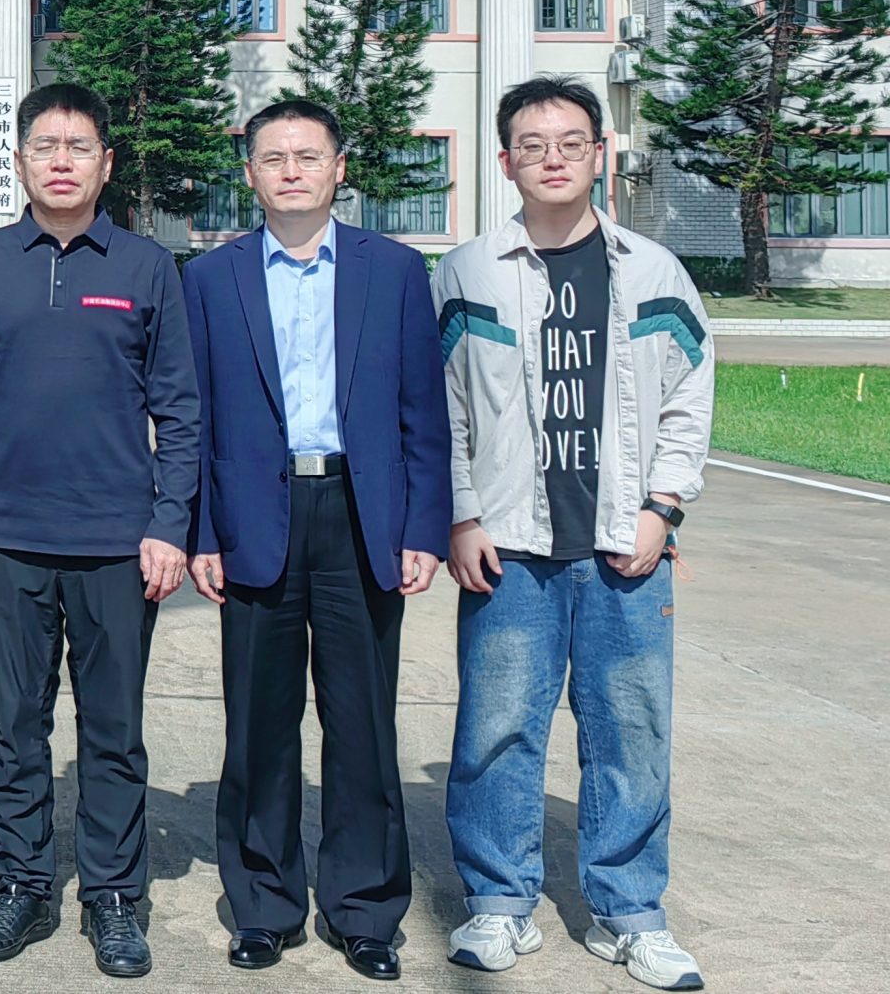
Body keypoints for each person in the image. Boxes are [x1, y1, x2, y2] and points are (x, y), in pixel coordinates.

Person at [439, 77, 714, 992]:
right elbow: (444, 409)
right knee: (495, 728)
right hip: (510, 546)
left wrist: (662, 505)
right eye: (531, 141)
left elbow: (688, 398)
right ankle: (498, 903)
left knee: (632, 730)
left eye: (569, 140)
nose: (550, 156)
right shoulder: (471, 269)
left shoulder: (653, 270)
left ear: (600, 153)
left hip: (622, 549)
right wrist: (463, 512)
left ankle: (630, 911)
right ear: (505, 156)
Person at [0, 81, 198, 978]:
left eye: (80, 146)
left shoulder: (147, 267)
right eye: (45, 145)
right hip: (5, 542)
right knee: (14, 725)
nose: (62, 161)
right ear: (19, 160)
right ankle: (22, 888)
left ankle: (115, 899)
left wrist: (169, 525)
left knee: (114, 731)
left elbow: (181, 408)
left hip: (120, 544)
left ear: (106, 163)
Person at [182, 98, 449, 981]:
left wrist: (422, 526)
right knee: (259, 723)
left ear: (340, 168)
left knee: (363, 722)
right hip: (255, 518)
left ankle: (364, 909)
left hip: (359, 514)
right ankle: (264, 904)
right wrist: (201, 532)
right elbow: (196, 419)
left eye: (308, 154)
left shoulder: (398, 272)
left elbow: (423, 412)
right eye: (272, 157)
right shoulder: (211, 281)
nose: (291, 169)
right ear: (249, 173)